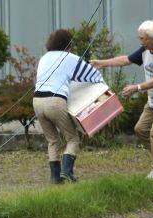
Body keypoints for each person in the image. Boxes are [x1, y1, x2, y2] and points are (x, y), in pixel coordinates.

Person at [92, 20, 153, 180]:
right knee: (140, 129)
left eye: (143, 39)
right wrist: (102, 63)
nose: (140, 42)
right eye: (140, 38)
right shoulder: (145, 49)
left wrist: (137, 87)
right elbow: (126, 60)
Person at [34, 29, 104, 183]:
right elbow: (95, 76)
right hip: (55, 102)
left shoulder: (44, 58)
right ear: (68, 44)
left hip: (37, 101)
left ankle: (55, 179)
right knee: (72, 138)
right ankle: (67, 172)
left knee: (52, 141)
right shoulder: (70, 57)